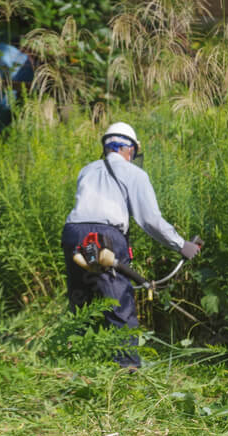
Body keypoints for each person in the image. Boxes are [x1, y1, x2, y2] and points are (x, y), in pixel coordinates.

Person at [61, 121, 200, 369]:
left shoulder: (87, 170)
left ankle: (75, 363)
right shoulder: (135, 173)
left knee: (81, 300)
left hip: (73, 233)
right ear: (128, 150)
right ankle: (126, 372)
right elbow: (150, 220)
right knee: (117, 304)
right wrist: (181, 245)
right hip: (106, 236)